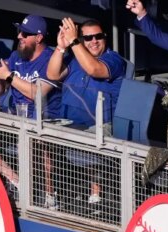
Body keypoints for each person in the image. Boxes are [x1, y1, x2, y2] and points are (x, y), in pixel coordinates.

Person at [0, 14, 62, 209]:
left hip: (43, 121)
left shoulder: (50, 59)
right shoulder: (17, 56)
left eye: (25, 34)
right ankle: (18, 183)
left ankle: (49, 195)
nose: (20, 36)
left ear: (38, 38)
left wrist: (8, 76)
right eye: (19, 32)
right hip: (15, 118)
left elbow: (38, 93)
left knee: (34, 145)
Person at [46, 18, 125, 214]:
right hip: (70, 123)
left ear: (105, 38)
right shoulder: (74, 58)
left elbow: (94, 69)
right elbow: (52, 75)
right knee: (42, 140)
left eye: (98, 36)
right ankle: (51, 196)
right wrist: (60, 47)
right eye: (88, 38)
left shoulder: (114, 59)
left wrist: (75, 42)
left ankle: (96, 197)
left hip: (101, 125)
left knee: (91, 142)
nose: (94, 41)